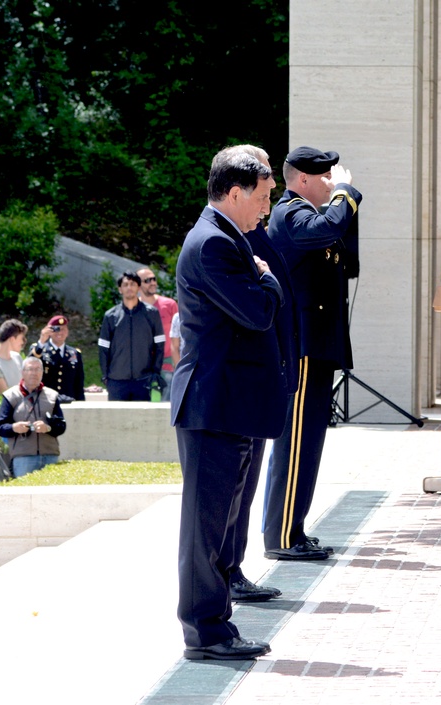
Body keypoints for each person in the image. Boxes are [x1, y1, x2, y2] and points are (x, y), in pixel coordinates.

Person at [170, 145, 290, 660]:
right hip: (212, 404)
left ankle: (217, 627)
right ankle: (205, 633)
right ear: (235, 192)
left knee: (220, 525)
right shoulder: (213, 244)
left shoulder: (226, 237)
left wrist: (260, 273)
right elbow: (258, 311)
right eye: (263, 198)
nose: (267, 209)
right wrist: (264, 276)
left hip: (226, 405)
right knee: (206, 529)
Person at [261, 145, 360, 562]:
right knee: (295, 443)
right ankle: (281, 536)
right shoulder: (290, 214)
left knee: (310, 443)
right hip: (301, 348)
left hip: (318, 346)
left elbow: (348, 259)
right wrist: (347, 194)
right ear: (303, 179)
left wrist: (342, 203)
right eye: (324, 178)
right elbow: (329, 226)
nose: (330, 183)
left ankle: (294, 529)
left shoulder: (312, 217)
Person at [97, 271, 165, 401]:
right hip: (116, 381)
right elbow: (103, 348)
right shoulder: (110, 316)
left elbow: (159, 345)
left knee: (142, 421)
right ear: (120, 289)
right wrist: (106, 375)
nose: (129, 287)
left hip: (144, 380)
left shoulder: (152, 314)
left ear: (138, 288)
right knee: (116, 421)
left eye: (133, 284)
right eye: (126, 284)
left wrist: (155, 372)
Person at [0, 357, 66, 477]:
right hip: (23, 457)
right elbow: (0, 427)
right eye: (30, 369)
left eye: (38, 369)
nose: (34, 373)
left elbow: (61, 426)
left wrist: (48, 428)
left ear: (42, 373)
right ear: (22, 372)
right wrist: (14, 427)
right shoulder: (10, 396)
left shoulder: (52, 396)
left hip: (50, 455)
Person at [137, 267, 179, 401]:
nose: (153, 283)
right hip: (143, 369)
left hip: (167, 367)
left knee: (167, 411)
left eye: (154, 279)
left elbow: (180, 335)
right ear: (138, 285)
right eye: (147, 280)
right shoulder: (134, 308)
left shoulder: (169, 304)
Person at [29, 315, 85, 402]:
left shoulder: (74, 353)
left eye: (63, 329)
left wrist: (81, 404)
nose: (60, 333)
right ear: (49, 331)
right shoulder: (40, 349)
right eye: (56, 329)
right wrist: (41, 341)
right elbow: (30, 364)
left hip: (69, 401)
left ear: (67, 332)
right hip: (46, 401)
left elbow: (79, 383)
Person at [0, 319, 28, 400]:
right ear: (12, 339)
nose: (23, 342)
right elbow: (5, 394)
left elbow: (25, 385)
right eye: (22, 338)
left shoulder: (17, 357)